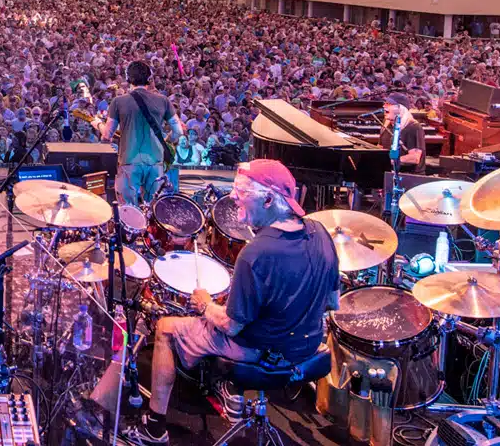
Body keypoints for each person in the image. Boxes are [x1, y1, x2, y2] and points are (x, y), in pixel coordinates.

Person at [79, 160, 338, 444]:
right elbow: (331, 302)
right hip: (307, 346)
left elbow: (231, 326)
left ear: (268, 200)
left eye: (241, 191)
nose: (233, 197)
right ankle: (224, 387)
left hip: (262, 351)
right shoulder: (321, 233)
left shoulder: (256, 254)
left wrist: (205, 305)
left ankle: (154, 428)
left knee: (166, 326)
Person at [100, 61, 184, 205]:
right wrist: (167, 141)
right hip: (155, 162)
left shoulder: (118, 102)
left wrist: (97, 124)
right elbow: (178, 131)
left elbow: (107, 135)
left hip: (129, 162)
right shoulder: (163, 101)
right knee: (153, 208)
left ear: (128, 78)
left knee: (128, 209)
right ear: (149, 79)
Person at [383, 92, 426, 172]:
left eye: (389, 104)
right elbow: (380, 149)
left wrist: (389, 161)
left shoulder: (413, 127)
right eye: (385, 103)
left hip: (409, 175)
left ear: (400, 109)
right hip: (389, 172)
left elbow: (414, 158)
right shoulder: (386, 125)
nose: (384, 106)